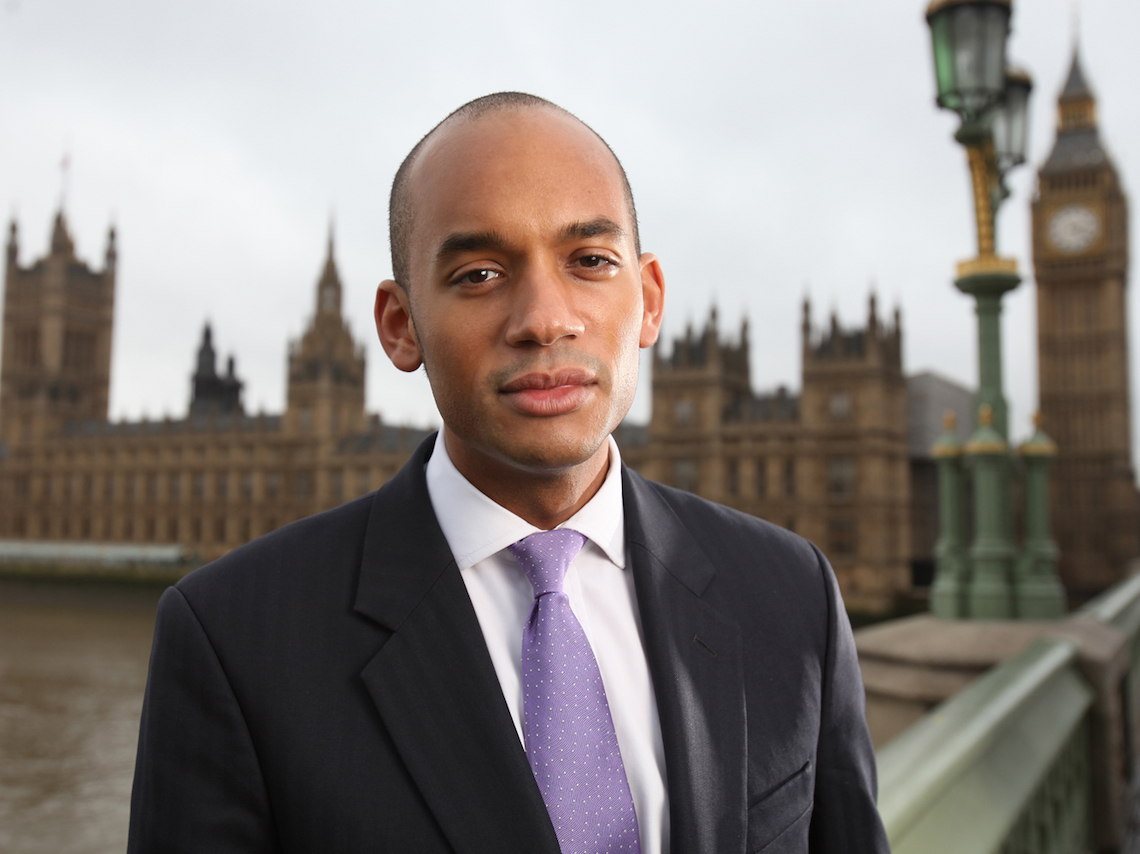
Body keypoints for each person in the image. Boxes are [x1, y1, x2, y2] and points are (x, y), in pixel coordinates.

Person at [128, 92, 890, 854]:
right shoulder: (232, 638)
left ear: (650, 300)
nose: (544, 318)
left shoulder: (794, 597)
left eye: (590, 261)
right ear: (401, 326)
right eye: (480, 274)